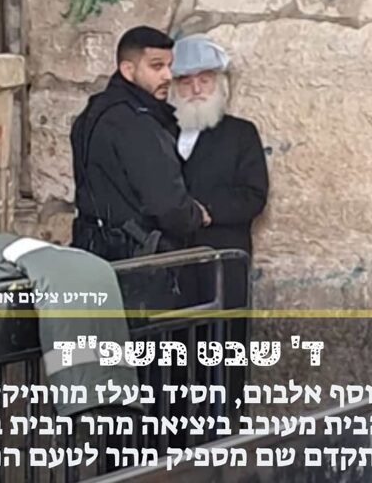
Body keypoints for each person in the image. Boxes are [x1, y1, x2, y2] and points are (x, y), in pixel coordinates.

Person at [70, 26, 210, 309]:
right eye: (156, 66)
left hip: (94, 254)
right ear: (128, 70)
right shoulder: (136, 123)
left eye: (169, 66)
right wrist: (196, 215)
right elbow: (167, 204)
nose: (167, 76)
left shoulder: (95, 112)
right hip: (137, 263)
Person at [169, 34, 269, 308]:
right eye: (186, 82)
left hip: (221, 261)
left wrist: (207, 211)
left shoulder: (241, 133)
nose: (196, 89)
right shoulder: (159, 132)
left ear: (219, 85)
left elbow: (254, 195)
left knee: (223, 330)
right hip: (170, 261)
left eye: (205, 81)